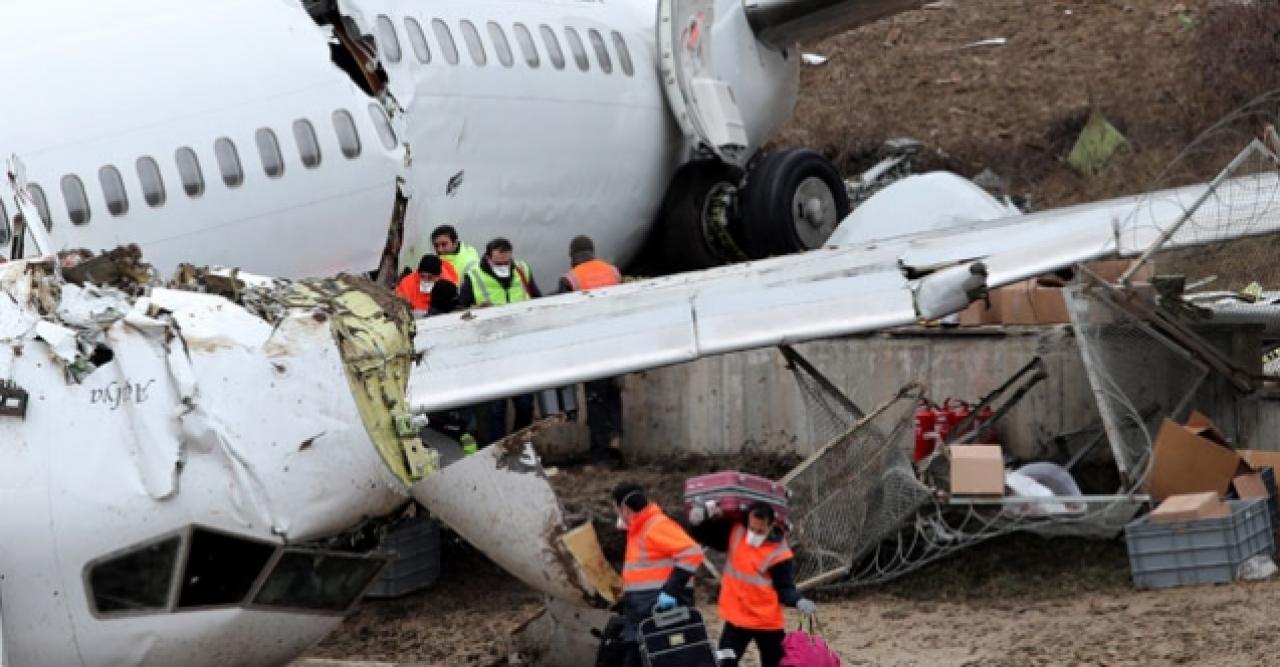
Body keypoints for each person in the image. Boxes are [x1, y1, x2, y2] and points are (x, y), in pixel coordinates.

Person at [690, 501, 816, 667]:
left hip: (766, 622)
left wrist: (798, 600)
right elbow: (706, 537)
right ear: (747, 521)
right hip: (737, 618)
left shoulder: (779, 553)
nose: (754, 534)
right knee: (724, 662)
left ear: (771, 526)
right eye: (751, 528)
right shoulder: (736, 531)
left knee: (774, 663)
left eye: (760, 531)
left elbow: (785, 587)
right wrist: (697, 522)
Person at [612, 482, 704, 667]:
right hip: (643, 609)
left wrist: (670, 591)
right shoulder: (639, 529)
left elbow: (692, 553)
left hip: (660, 609)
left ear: (624, 508)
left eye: (615, 508)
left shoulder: (655, 525)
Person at [458, 238, 541, 440]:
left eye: (506, 262)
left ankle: (519, 442)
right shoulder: (474, 277)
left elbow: (537, 300)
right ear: (488, 258)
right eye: (499, 263)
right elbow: (460, 312)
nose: (504, 267)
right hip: (492, 350)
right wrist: (476, 311)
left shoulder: (522, 270)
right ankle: (501, 447)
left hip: (520, 347)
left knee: (525, 404)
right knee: (496, 408)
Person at [556, 235, 625, 466]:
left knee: (596, 399)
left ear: (572, 256)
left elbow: (562, 314)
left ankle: (600, 453)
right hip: (615, 344)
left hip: (590, 346)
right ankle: (616, 443)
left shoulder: (571, 279)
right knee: (613, 395)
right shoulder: (612, 272)